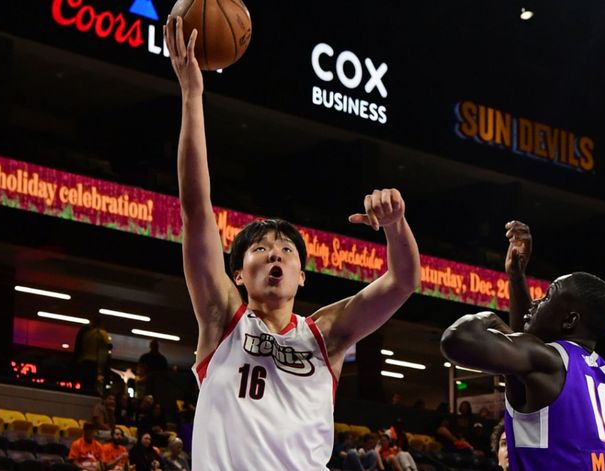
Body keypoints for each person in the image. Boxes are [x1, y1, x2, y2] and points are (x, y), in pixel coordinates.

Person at [163, 15, 420, 471]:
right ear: (237, 273)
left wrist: (396, 225)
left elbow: (402, 282)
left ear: (302, 275)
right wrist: (191, 94)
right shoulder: (223, 319)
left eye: (286, 250)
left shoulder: (326, 335)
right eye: (260, 249)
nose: (275, 255)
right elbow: (196, 208)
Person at [440, 220, 605, 469]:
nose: (537, 300)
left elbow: (456, 339)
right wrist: (516, 277)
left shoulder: (549, 361)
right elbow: (525, 349)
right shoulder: (603, 372)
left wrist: (489, 318)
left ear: (570, 320)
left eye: (548, 296)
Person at [73, 316, 112, 394]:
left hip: (83, 361)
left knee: (84, 383)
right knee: (91, 384)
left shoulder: (85, 333)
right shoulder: (100, 332)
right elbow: (109, 345)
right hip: (93, 361)